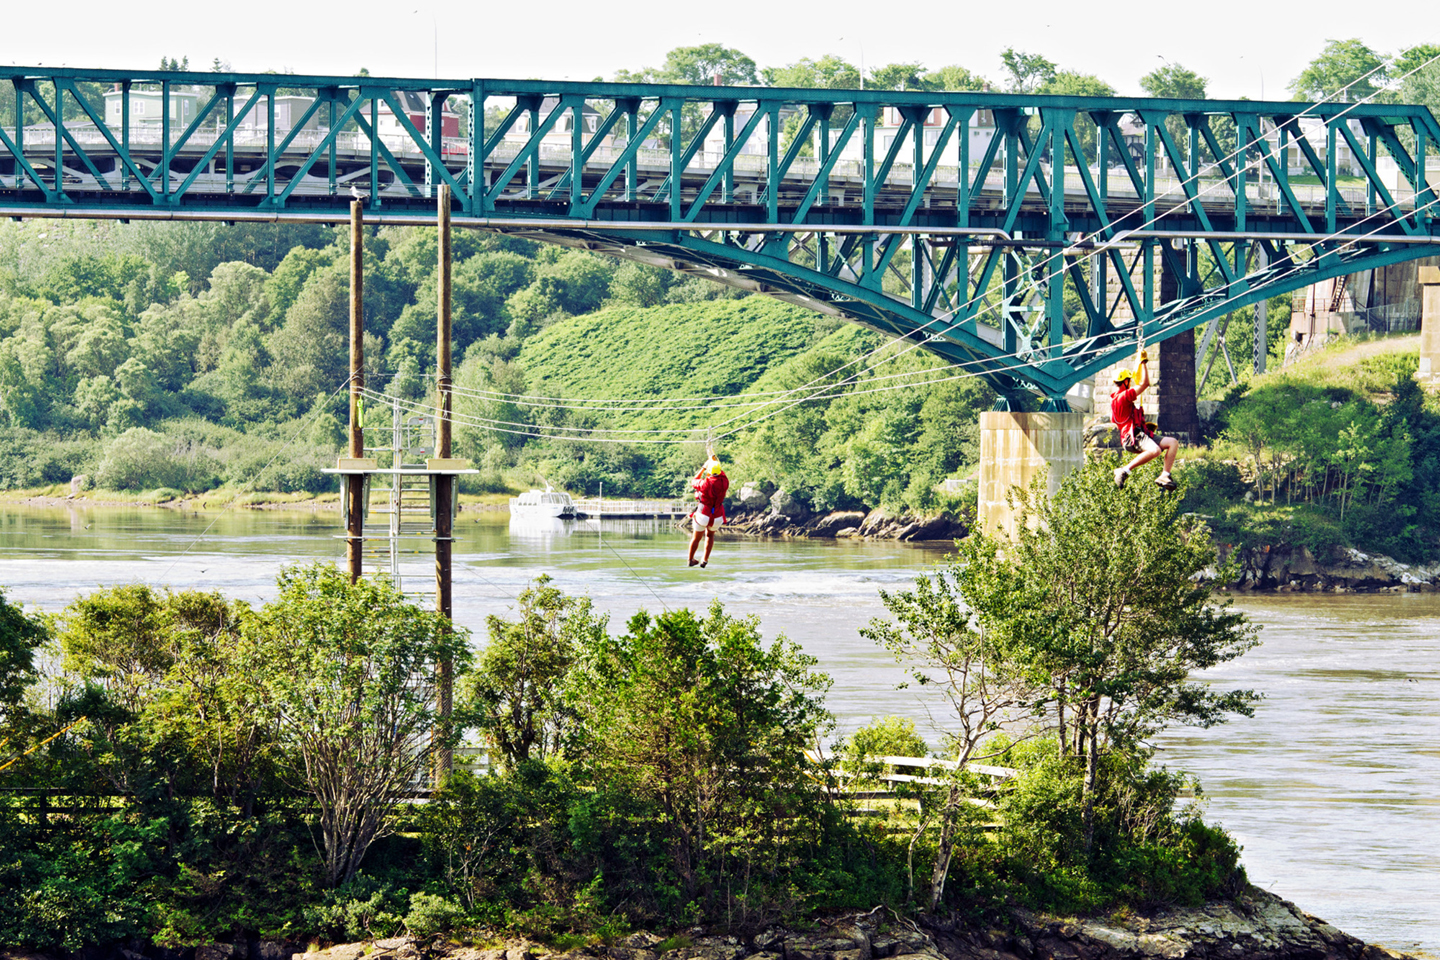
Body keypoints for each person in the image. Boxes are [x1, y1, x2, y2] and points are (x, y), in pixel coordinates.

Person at [1110, 349, 1179, 491]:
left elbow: (1121, 422)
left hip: (1139, 434)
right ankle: (1124, 470)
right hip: (1134, 437)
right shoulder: (1123, 396)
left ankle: (1165, 475)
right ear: (1126, 382)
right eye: (1129, 381)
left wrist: (1141, 425)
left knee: (1172, 443)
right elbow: (1145, 383)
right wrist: (1143, 363)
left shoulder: (1115, 400)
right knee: (1155, 451)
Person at [686, 454, 729, 568]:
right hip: (717, 516)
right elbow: (721, 472)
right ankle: (704, 560)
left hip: (703, 514)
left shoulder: (704, 483)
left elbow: (694, 480)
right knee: (710, 536)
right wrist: (714, 460)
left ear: (709, 472)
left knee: (696, 538)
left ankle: (691, 559)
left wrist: (704, 467)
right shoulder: (725, 482)